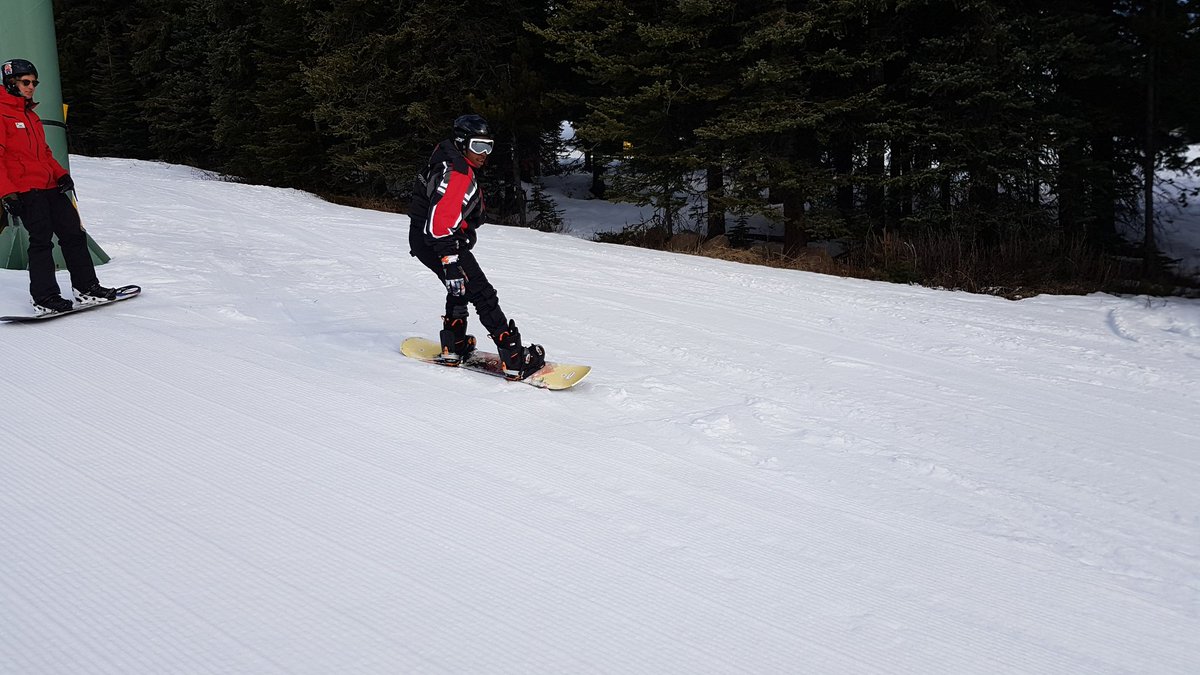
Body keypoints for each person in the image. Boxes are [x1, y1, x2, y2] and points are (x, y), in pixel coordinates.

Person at [408, 114, 546, 380]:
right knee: (482, 293)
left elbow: (438, 213)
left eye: (488, 146)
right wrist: (450, 261)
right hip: (439, 243)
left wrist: (460, 237)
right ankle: (514, 356)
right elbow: (439, 224)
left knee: (460, 287)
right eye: (478, 147)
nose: (484, 154)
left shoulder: (448, 161)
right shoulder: (458, 173)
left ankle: (454, 344)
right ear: (462, 143)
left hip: (427, 241)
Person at [0, 58, 116, 314]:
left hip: (49, 185)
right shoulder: (2, 112)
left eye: (34, 83)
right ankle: (44, 297)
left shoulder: (31, 115)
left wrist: (61, 175)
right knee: (41, 240)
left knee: (73, 233)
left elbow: (44, 153)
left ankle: (86, 288)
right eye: (26, 82)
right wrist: (7, 192)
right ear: (10, 82)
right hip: (25, 190)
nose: (31, 87)